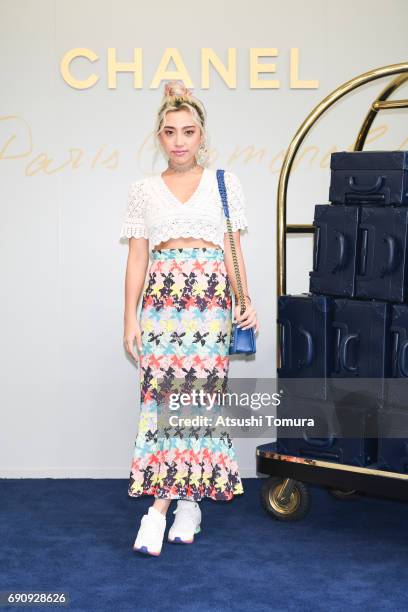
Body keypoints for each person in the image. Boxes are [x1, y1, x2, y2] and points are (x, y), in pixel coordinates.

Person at [120, 80, 259, 556]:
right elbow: (137, 259)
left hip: (210, 307)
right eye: (170, 132)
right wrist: (130, 319)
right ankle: (188, 504)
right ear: (158, 137)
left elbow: (232, 249)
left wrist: (245, 300)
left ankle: (160, 508)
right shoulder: (143, 192)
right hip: (161, 309)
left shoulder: (225, 182)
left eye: (189, 131)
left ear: (203, 136)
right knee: (164, 405)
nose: (179, 141)